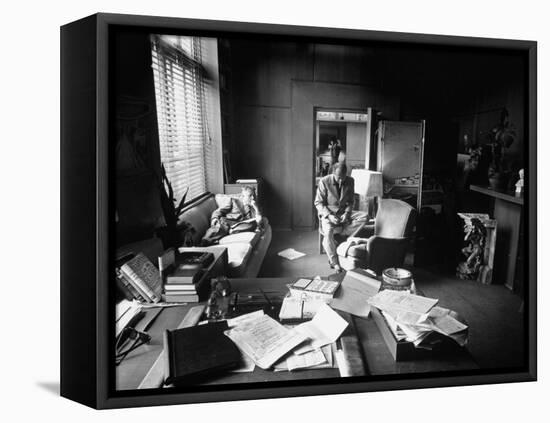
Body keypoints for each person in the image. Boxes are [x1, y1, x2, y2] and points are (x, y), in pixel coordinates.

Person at [314, 163, 368, 272]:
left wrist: (347, 214)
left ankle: (343, 234)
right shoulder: (324, 181)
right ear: (333, 173)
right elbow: (318, 203)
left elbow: (351, 201)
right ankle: (334, 262)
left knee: (364, 216)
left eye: (343, 178)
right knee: (328, 232)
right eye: (338, 178)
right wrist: (329, 216)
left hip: (343, 211)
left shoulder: (350, 180)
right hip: (329, 212)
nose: (341, 181)